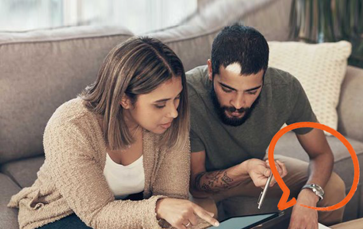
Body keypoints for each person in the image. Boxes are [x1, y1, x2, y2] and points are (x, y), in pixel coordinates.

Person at [8, 37, 219, 229]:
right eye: (160, 104)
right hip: (66, 215)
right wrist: (159, 207)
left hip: (132, 210)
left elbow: (172, 199)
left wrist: (172, 213)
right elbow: (97, 214)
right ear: (124, 99)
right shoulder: (70, 126)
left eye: (177, 98)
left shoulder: (169, 121)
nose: (173, 112)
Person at [186, 24, 346, 229]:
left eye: (252, 91)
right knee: (197, 219)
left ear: (264, 76)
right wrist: (245, 168)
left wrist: (309, 195)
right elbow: (197, 186)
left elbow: (321, 154)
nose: (238, 103)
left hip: (253, 172)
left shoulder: (285, 88)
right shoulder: (189, 95)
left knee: (332, 187)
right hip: (201, 185)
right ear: (210, 70)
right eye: (227, 89)